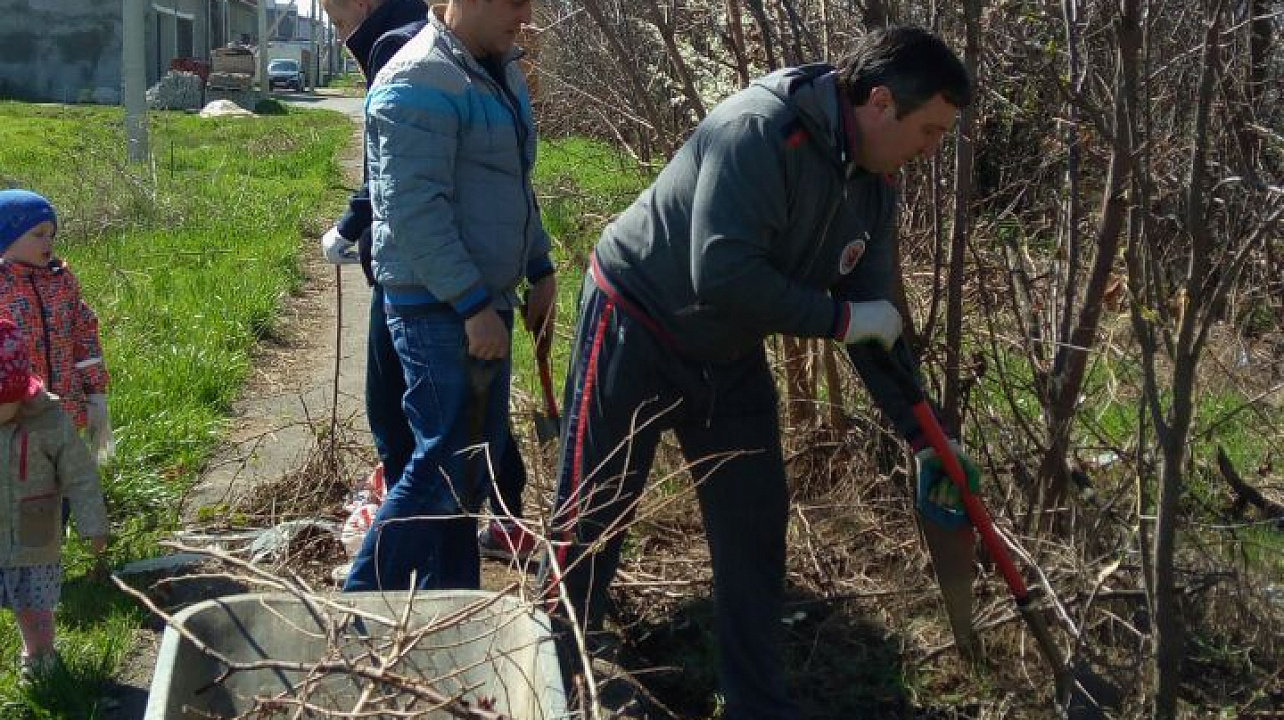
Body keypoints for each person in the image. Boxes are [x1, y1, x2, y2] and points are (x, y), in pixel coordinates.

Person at [542, 27, 974, 719]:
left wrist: (923, 437)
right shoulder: (759, 131)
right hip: (637, 319)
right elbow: (720, 273)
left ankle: (757, 704)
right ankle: (549, 677)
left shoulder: (875, 188)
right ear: (880, 102)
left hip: (728, 349)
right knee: (593, 512)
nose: (930, 150)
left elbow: (875, 325)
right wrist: (841, 319)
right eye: (928, 131)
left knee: (754, 527)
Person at [343, 0, 555, 592]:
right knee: (444, 462)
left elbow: (513, 183)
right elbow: (412, 209)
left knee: (470, 469)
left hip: (483, 301)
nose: (526, 14)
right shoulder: (417, 78)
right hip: (437, 305)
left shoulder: (500, 71)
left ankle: (451, 601)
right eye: (513, 1)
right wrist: (471, 304)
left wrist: (539, 266)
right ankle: (361, 601)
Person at [0, 318, 109, 681]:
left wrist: (93, 525)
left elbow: (80, 475)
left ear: (19, 392)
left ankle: (41, 657)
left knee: (34, 604)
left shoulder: (49, 420)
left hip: (34, 536)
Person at [0, 189, 113, 465]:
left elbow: (85, 335)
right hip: (13, 413)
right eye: (38, 234)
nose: (48, 241)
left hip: (65, 406)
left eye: (51, 234)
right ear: (6, 238)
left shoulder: (61, 281)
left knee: (62, 476)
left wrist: (95, 394)